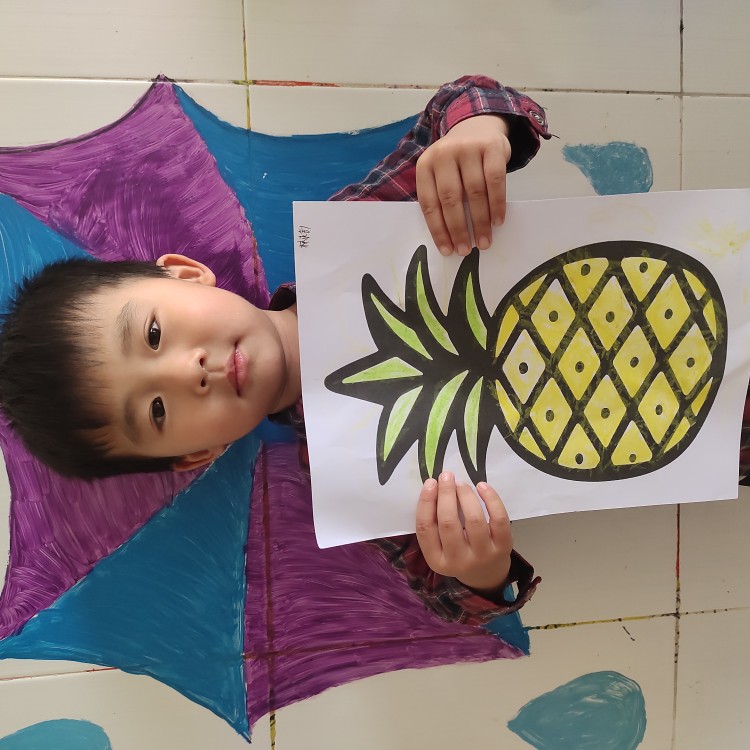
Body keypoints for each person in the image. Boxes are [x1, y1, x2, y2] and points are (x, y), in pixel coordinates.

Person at [0, 76, 550, 624]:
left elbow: (456, 104)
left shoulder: (348, 236)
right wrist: (481, 573)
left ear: (186, 274)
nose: (190, 371)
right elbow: (443, 595)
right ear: (199, 454)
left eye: (153, 336)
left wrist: (477, 130)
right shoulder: (344, 480)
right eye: (158, 410)